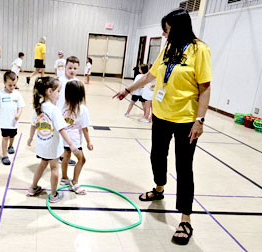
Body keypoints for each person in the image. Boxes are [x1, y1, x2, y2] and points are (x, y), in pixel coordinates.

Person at [113, 8, 211, 245]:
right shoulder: (168, 48)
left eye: (167, 31)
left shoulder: (200, 50)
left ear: (179, 28)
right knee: (157, 155)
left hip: (186, 119)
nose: (165, 35)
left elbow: (205, 87)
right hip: (161, 116)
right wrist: (128, 89)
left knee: (184, 167)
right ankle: (159, 188)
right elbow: (150, 76)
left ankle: (185, 219)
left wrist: (200, 120)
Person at [27, 77, 79, 203]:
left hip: (41, 145)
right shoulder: (54, 110)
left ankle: (33, 188)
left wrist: (30, 137)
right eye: (58, 91)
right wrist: (71, 144)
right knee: (54, 168)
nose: (59, 94)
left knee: (42, 164)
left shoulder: (38, 107)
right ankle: (54, 194)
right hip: (52, 146)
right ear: (49, 92)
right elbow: (61, 129)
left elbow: (34, 124)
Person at [59, 80, 93, 194]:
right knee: (82, 160)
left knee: (66, 157)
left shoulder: (63, 106)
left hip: (64, 139)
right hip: (74, 141)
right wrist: (89, 142)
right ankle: (75, 181)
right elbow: (85, 128)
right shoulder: (82, 109)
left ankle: (64, 178)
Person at [0, 71, 25, 165]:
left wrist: (18, 114)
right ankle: (4, 155)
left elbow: (20, 106)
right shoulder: (0, 94)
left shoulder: (17, 94)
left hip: (13, 122)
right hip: (4, 121)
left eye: (14, 85)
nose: (12, 87)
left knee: (12, 135)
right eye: (9, 85)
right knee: (5, 137)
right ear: (4, 82)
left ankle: (11, 146)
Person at [56, 56, 80, 166]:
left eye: (75, 68)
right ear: (65, 67)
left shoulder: (77, 82)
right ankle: (59, 156)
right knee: (59, 134)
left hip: (70, 115)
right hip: (59, 113)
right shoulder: (60, 81)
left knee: (68, 135)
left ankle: (63, 156)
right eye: (70, 68)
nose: (72, 70)